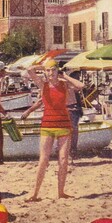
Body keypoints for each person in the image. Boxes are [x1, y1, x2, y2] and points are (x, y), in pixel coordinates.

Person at [24, 59, 84, 201]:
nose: (51, 73)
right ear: (45, 72)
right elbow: (29, 70)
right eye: (48, 71)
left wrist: (64, 76)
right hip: (47, 125)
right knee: (43, 160)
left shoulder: (64, 84)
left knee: (63, 160)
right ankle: (35, 193)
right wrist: (43, 66)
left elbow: (81, 85)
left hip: (64, 125)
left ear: (58, 71)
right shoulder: (42, 85)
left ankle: (61, 192)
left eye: (53, 70)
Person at [65, 71, 84, 163]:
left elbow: (80, 86)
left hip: (73, 109)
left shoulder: (69, 82)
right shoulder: (65, 82)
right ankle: (69, 154)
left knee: (73, 132)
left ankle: (71, 154)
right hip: (67, 109)